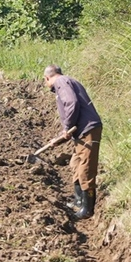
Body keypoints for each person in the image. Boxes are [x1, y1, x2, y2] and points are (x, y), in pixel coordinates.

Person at [43, 65, 103, 220]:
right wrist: (61, 137)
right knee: (76, 164)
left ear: (47, 78)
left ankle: (87, 209)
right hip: (81, 132)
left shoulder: (61, 82)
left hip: (87, 130)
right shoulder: (67, 81)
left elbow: (71, 103)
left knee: (85, 168)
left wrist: (67, 128)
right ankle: (79, 200)